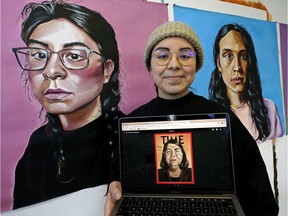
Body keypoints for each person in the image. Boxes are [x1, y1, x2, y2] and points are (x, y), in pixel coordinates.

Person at [105, 21, 279, 216]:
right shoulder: (133, 122)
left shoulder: (223, 117)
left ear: (197, 64)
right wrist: (114, 186)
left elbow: (260, 194)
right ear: (150, 65)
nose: (174, 65)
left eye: (185, 56)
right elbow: (117, 177)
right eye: (162, 56)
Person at [11, 0, 123, 209]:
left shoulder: (128, 138)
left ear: (106, 70)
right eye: (39, 55)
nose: (52, 70)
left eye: (73, 56)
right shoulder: (37, 144)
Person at [208, 23, 283, 143]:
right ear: (218, 64)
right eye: (228, 56)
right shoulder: (210, 115)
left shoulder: (269, 109)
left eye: (243, 56)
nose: (237, 67)